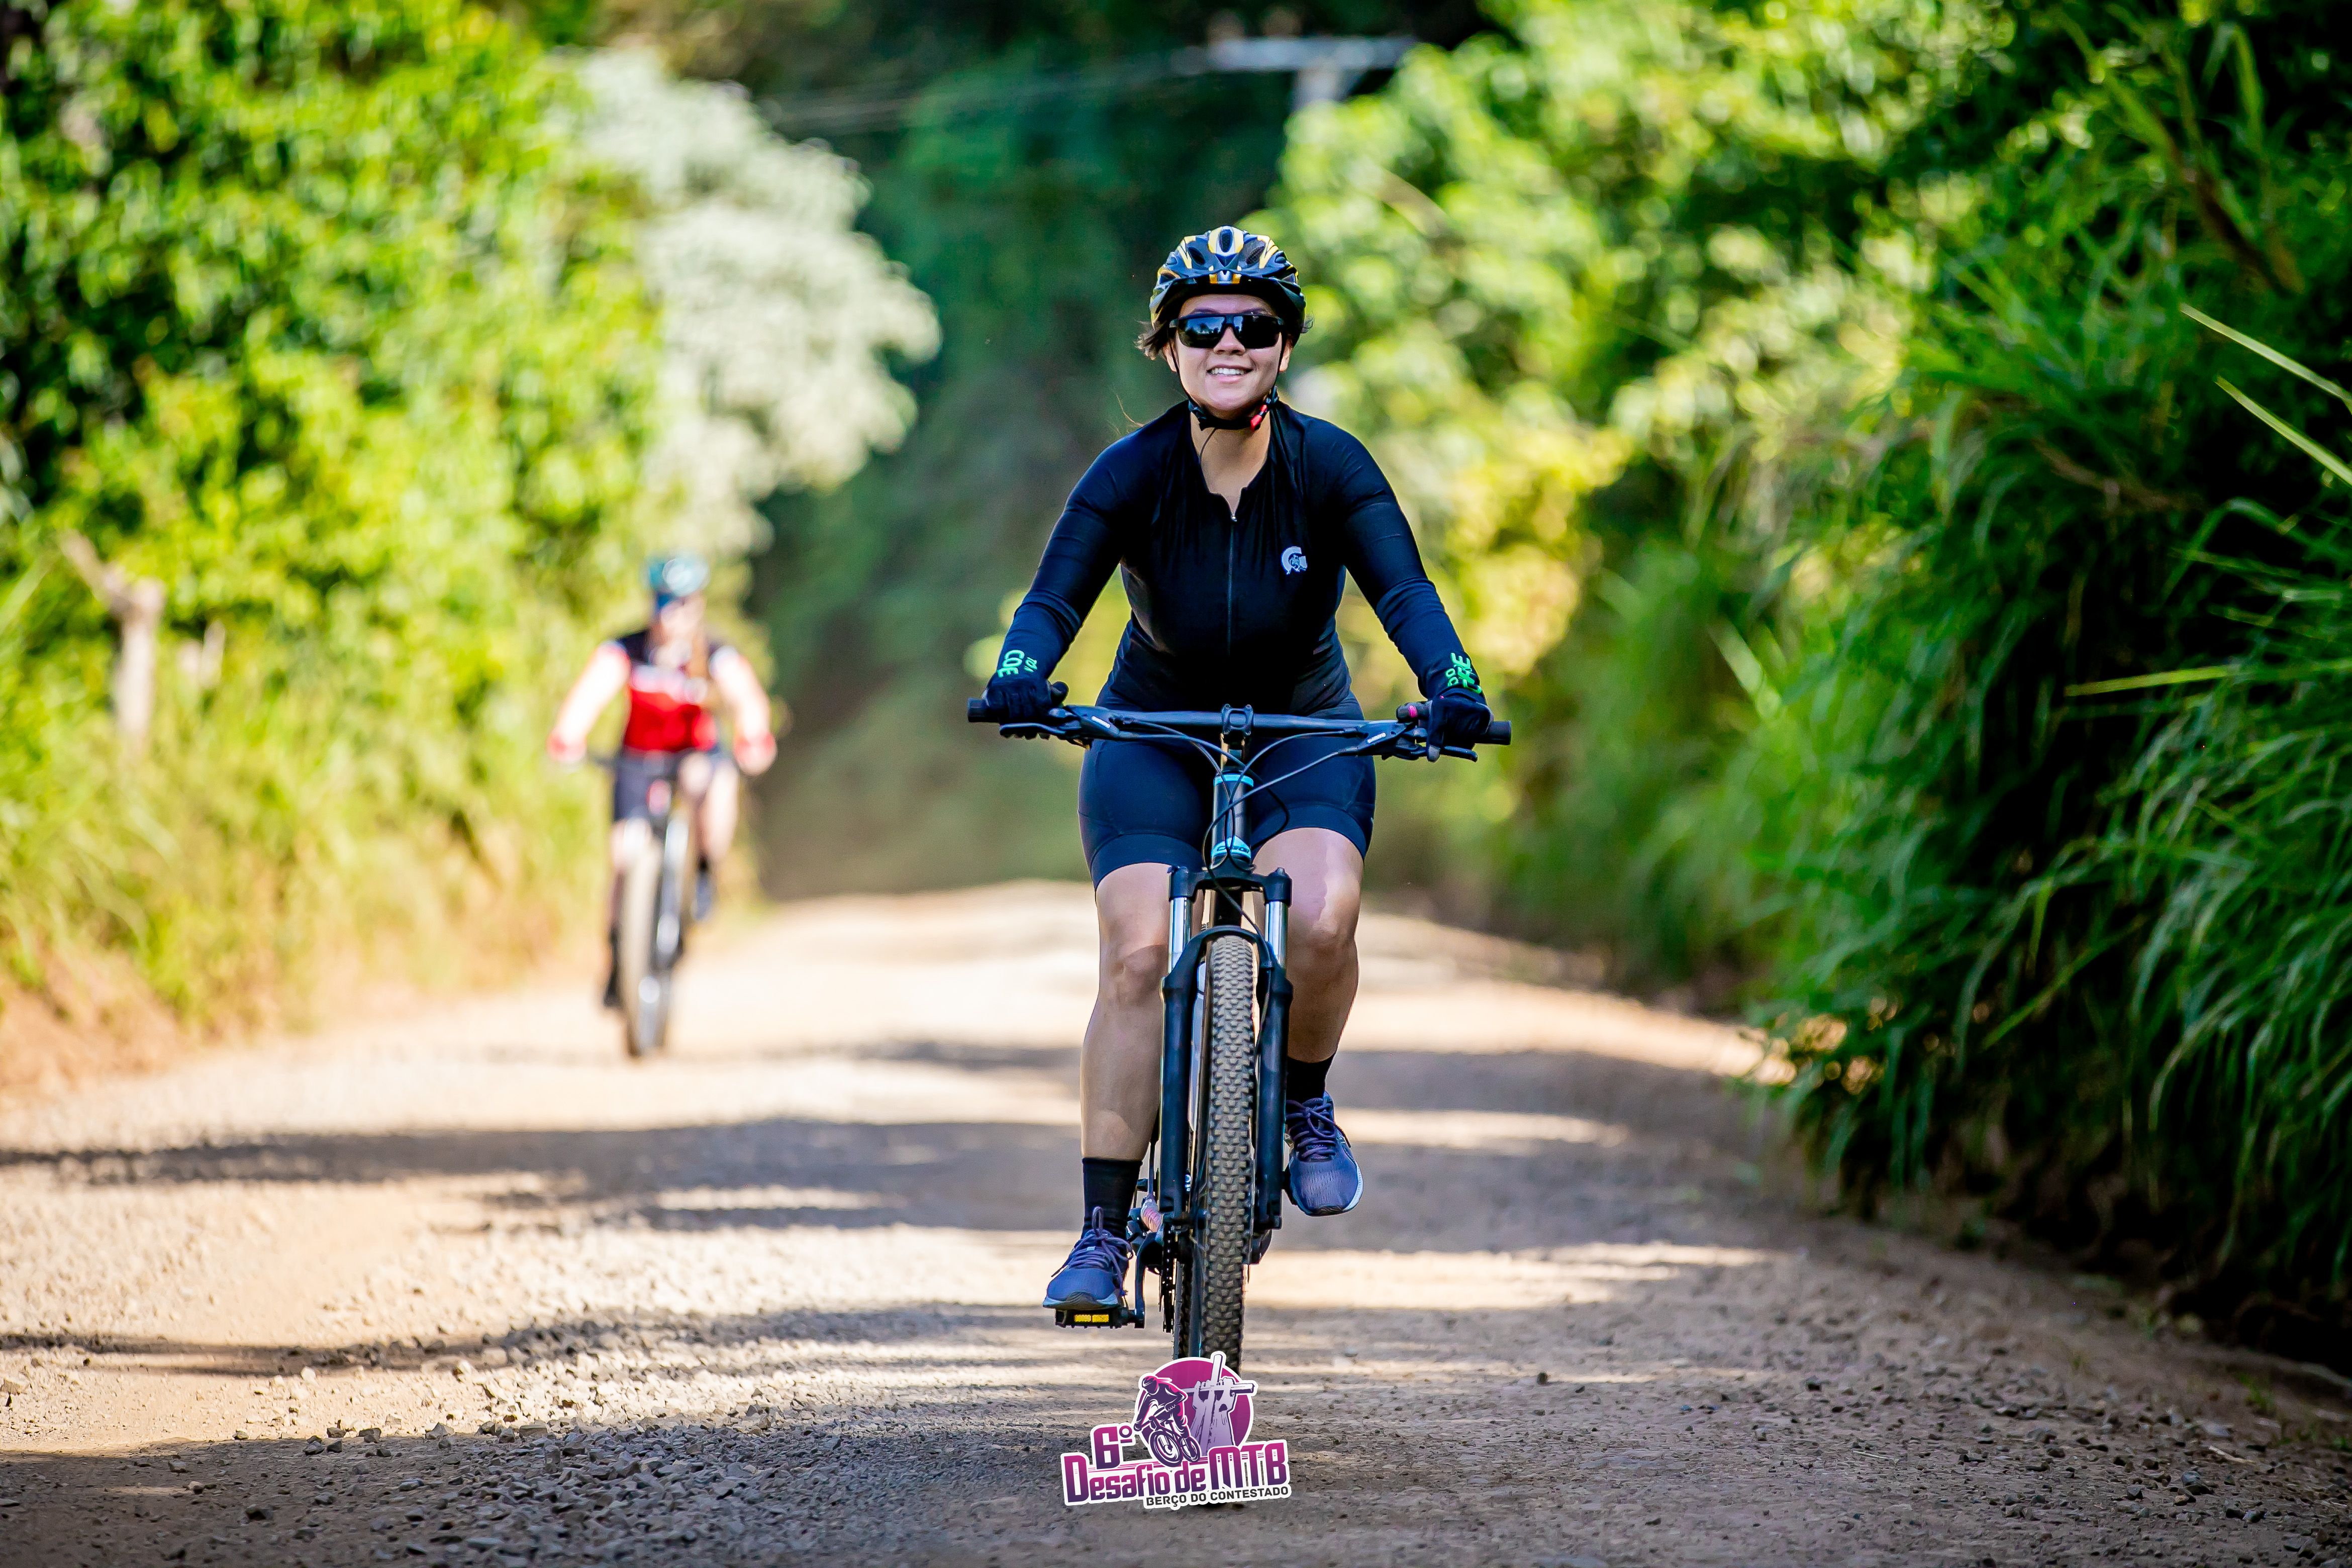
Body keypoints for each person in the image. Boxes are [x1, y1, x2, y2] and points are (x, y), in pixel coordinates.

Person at [976, 226, 1493, 1316]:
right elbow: (1055, 597)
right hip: (1153, 731)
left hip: (1303, 730)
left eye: (1252, 325)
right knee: (1135, 956)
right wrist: (1021, 671)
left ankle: (1303, 1102)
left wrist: (1451, 682)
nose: (1227, 343)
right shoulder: (1131, 471)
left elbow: (1406, 594)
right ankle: (1103, 1230)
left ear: (1283, 347)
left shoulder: (1332, 467)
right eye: (1201, 325)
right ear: (1168, 347)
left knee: (1322, 920)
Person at [547, 554, 779, 1007]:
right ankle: (619, 957)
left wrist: (754, 737)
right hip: (638, 759)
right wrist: (567, 736)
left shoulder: (715, 653)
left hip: (694, 755)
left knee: (712, 783)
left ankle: (705, 871)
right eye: (664, 602)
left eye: (683, 603)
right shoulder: (627, 650)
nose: (672, 614)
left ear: (698, 605)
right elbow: (590, 693)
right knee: (622, 855)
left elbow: (747, 699)